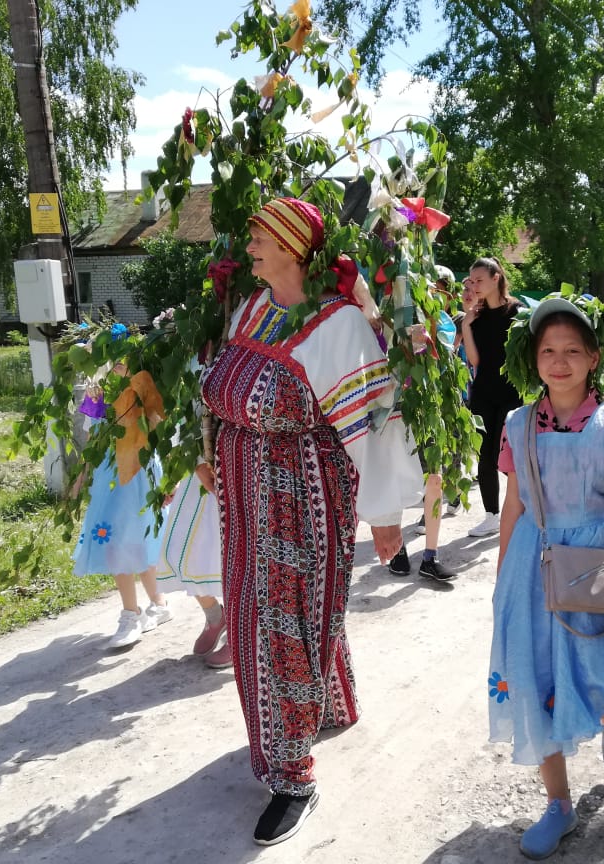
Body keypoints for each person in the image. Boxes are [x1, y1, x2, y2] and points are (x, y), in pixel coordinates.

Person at [200, 197, 421, 846]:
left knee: (284, 624)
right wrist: (209, 447)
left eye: (263, 237)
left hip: (299, 500)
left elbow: (376, 426)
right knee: (263, 614)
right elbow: (222, 386)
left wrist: (385, 519)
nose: (253, 248)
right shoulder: (253, 307)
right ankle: (329, 707)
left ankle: (294, 777)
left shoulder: (338, 326)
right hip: (245, 495)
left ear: (295, 246)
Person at [488, 295, 604, 860]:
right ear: (532, 358)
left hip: (591, 560)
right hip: (531, 564)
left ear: (594, 358)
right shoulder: (516, 423)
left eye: (572, 352)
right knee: (533, 676)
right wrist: (502, 582)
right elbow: (513, 504)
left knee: (593, 660)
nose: (559, 363)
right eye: (548, 351)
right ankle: (559, 803)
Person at [71, 371, 172, 650]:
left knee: (139, 536)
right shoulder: (98, 389)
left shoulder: (142, 381)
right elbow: (93, 438)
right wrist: (80, 477)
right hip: (110, 475)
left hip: (140, 469)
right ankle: (133, 613)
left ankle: (153, 606)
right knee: (115, 537)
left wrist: (168, 479)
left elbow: (161, 426)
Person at [389, 267, 461, 582]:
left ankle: (430, 556)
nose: (432, 293)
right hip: (395, 411)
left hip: (429, 409)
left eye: (437, 290)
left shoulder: (443, 322)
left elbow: (440, 358)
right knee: (395, 481)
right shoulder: (389, 319)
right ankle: (397, 550)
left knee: (434, 479)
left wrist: (425, 326)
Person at [460, 257, 525, 538]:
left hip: (512, 394)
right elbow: (475, 361)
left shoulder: (518, 312)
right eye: (471, 281)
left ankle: (521, 509)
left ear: (496, 277)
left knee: (508, 457)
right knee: (484, 457)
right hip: (483, 393)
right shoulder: (476, 316)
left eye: (479, 280)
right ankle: (491, 515)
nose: (474, 286)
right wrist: (466, 325)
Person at [158, 462, 231, 668]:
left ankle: (243, 634)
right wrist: (172, 476)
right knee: (179, 554)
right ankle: (216, 617)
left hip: (232, 463)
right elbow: (181, 431)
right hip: (196, 475)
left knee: (227, 555)